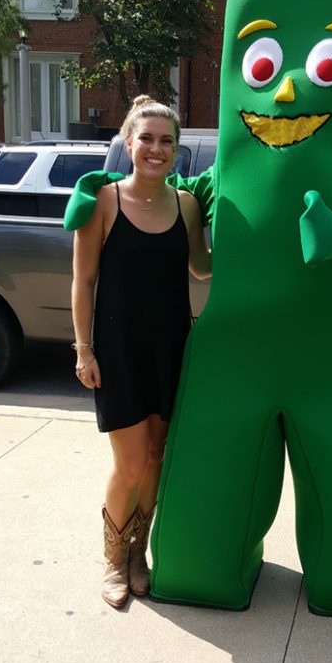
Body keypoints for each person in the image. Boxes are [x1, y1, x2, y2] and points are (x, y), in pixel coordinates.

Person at [71, 96, 211, 609]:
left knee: (157, 456)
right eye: (146, 138)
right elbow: (83, 280)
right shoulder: (104, 201)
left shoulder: (187, 205)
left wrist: (259, 241)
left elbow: (200, 267)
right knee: (129, 464)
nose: (156, 148)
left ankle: (138, 555)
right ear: (128, 143)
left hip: (172, 346)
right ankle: (112, 559)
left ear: (177, 149)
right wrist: (84, 350)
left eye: (167, 141)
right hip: (119, 349)